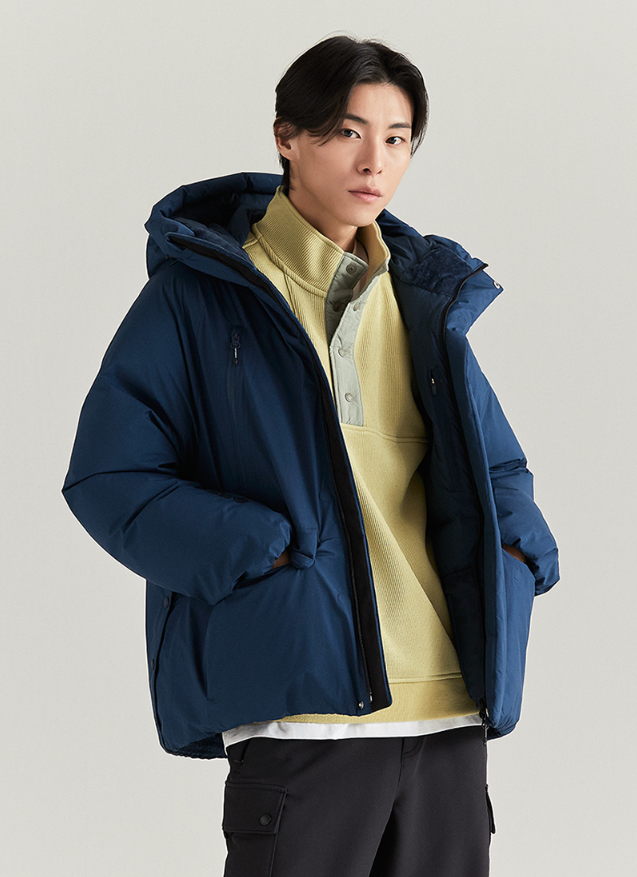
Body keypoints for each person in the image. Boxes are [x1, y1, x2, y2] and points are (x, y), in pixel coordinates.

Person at [62, 34, 559, 877]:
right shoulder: (201, 296)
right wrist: (254, 551)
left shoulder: (420, 303)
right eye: (346, 132)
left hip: (447, 707)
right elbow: (111, 476)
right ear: (287, 137)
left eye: (396, 138)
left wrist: (514, 555)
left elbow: (499, 467)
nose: (374, 161)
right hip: (302, 715)